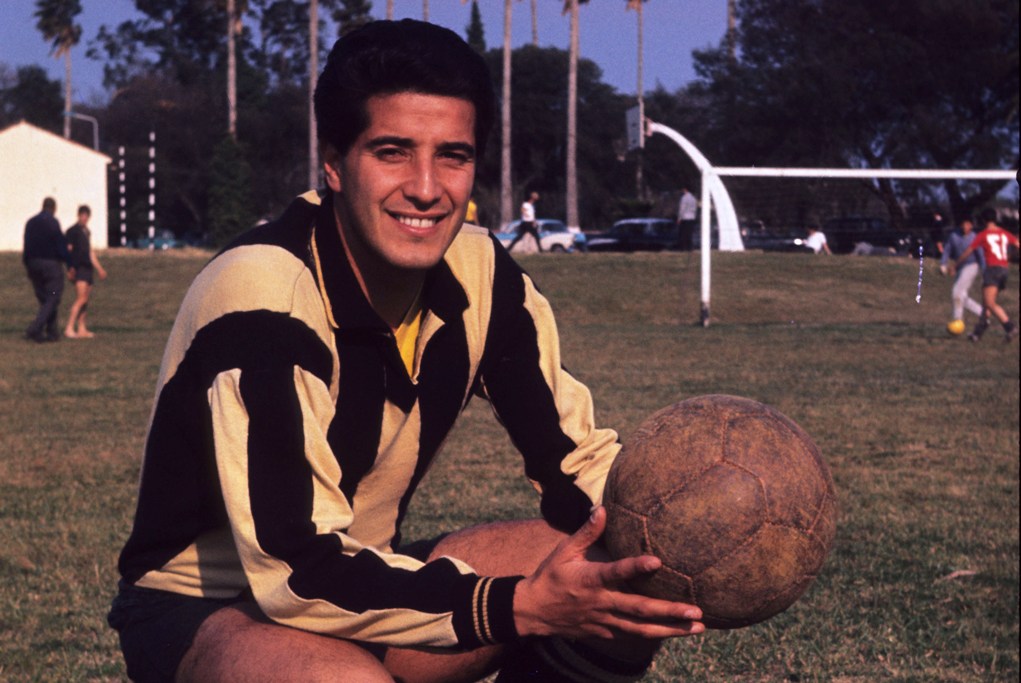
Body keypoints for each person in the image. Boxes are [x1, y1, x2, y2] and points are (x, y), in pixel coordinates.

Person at [107, 20, 703, 683]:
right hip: (207, 605)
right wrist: (516, 605)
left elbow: (576, 465)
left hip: (359, 573)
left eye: (452, 154)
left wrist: (676, 537)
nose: (426, 187)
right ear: (334, 162)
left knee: (617, 570)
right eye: (392, 151)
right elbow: (294, 568)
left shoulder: (481, 273)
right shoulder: (262, 296)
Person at [955, 207, 1019, 342]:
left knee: (990, 303)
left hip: (992, 269)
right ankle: (977, 334)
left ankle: (1010, 327)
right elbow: (1017, 244)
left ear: (984, 220)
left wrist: (956, 264)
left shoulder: (983, 235)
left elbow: (969, 251)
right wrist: (1009, 256)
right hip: (1004, 269)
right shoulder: (1004, 233)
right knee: (986, 304)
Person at [22, 197, 73, 343]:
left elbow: (26, 244)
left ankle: (52, 332)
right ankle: (35, 328)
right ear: (54, 208)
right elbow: (60, 245)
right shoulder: (52, 222)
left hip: (33, 264)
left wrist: (27, 264)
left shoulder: (30, 222)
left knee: (45, 299)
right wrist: (70, 265)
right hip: (50, 265)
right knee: (53, 296)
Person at [64, 204, 108, 339]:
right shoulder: (72, 231)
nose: (84, 218)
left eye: (86, 216)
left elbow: (90, 252)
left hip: (88, 268)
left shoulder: (87, 232)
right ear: (78, 215)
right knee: (81, 298)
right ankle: (69, 328)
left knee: (86, 300)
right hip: (79, 268)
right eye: (82, 215)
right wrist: (70, 268)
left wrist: (99, 268)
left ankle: (82, 328)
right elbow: (68, 251)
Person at [939, 216, 984, 330]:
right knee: (961, 295)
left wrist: (985, 271)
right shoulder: (954, 236)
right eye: (963, 224)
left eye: (968, 224)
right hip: (959, 267)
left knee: (957, 291)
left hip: (972, 266)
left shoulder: (975, 237)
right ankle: (982, 313)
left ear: (972, 226)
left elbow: (981, 256)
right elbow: (947, 250)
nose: (965, 226)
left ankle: (957, 320)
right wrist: (943, 264)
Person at [676, 186, 698, 251]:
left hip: (685, 218)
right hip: (692, 218)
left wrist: (679, 218)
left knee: (683, 234)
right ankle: (690, 248)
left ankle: (682, 248)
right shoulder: (693, 198)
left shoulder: (684, 198)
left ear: (685, 189)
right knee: (689, 234)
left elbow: (682, 209)